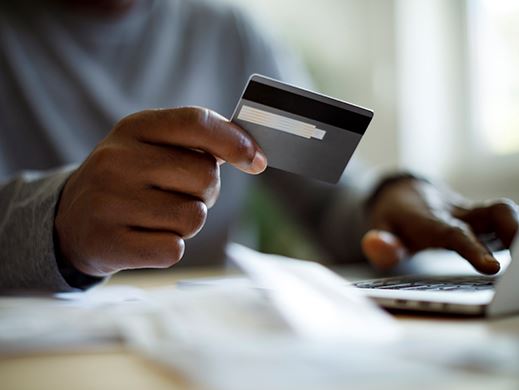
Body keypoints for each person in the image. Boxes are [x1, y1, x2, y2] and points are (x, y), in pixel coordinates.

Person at [0, 0, 517, 291]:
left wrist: (386, 200)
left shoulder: (228, 32)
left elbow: (324, 196)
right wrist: (57, 221)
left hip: (211, 340)